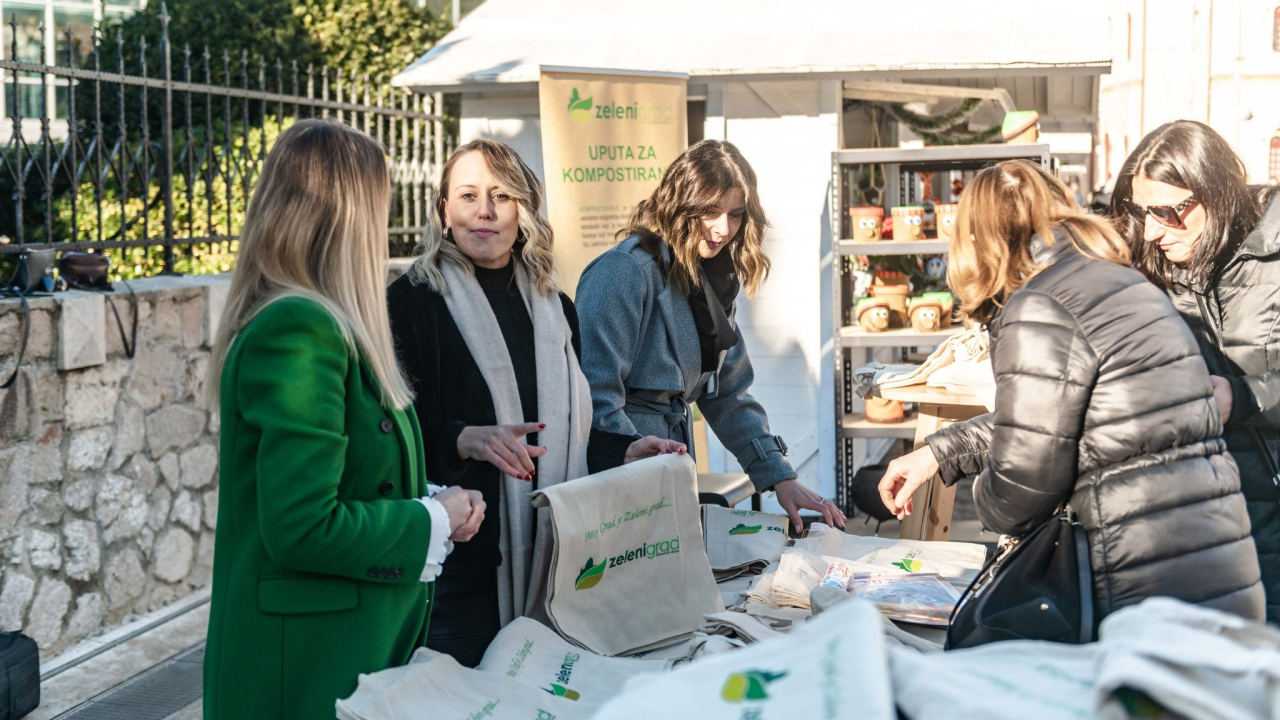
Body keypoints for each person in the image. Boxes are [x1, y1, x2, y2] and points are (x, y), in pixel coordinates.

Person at [878, 159, 1264, 622]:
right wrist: (937, 454)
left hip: (1143, 587)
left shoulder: (1041, 305)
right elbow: (1062, 413)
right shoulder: (1117, 281)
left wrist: (986, 487)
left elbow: (1022, 489)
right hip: (1211, 569)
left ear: (977, 238)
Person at [203, 119, 485, 719]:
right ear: (348, 218)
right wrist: (429, 520)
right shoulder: (299, 330)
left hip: (334, 655)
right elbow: (302, 526)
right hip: (303, 671)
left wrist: (431, 499)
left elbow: (353, 475)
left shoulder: (320, 323)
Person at [387, 139, 685, 667]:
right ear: (442, 210)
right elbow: (394, 442)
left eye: (501, 195)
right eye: (468, 195)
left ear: (523, 210)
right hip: (459, 567)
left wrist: (626, 452)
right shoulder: (411, 301)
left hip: (557, 563)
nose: (485, 210)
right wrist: (465, 438)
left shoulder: (555, 307)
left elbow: (570, 435)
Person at [576, 139, 845, 534]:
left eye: (735, 215)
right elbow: (592, 397)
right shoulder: (623, 271)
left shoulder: (713, 278)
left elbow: (728, 392)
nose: (723, 229)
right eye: (710, 212)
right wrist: (629, 471)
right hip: (622, 479)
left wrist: (778, 476)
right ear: (678, 203)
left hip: (672, 466)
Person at [1110, 120, 1280, 622]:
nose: (1154, 231)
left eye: (1168, 212)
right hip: (1203, 530)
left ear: (1216, 191)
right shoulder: (1152, 268)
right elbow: (1088, 386)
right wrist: (947, 451)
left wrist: (1244, 397)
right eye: (1144, 213)